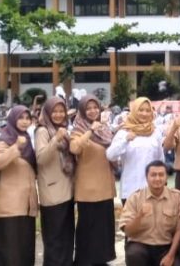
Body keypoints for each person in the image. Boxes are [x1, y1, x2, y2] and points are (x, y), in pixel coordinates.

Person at [69, 95, 117, 266]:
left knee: (104, 227)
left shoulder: (104, 129)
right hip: (88, 189)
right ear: (82, 111)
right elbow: (74, 148)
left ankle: (101, 260)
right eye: (88, 108)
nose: (92, 111)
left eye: (95, 107)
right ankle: (84, 261)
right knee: (87, 228)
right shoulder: (78, 130)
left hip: (105, 186)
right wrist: (90, 130)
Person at [0, 105, 38, 266]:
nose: (25, 122)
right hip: (9, 206)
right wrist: (16, 147)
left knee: (25, 249)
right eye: (21, 118)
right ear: (12, 119)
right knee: (11, 252)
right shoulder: (5, 139)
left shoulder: (27, 139)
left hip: (27, 204)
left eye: (27, 118)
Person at [119, 161, 180, 266]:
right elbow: (128, 231)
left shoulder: (177, 197)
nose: (157, 178)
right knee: (134, 254)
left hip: (166, 246)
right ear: (146, 177)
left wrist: (170, 255)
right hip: (141, 244)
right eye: (153, 175)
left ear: (166, 177)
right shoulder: (135, 197)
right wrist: (140, 216)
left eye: (161, 175)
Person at [36, 96, 75, 266]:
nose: (58, 115)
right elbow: (41, 158)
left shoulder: (63, 129)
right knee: (54, 241)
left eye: (61, 111)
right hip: (52, 194)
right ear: (47, 112)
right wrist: (56, 139)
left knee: (67, 238)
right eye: (55, 111)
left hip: (67, 190)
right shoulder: (42, 131)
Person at [109, 97, 166, 204]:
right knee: (132, 220)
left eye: (147, 110)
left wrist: (163, 181)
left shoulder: (155, 133)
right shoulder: (124, 132)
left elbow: (160, 159)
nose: (144, 114)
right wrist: (125, 140)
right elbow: (110, 155)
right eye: (141, 110)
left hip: (152, 189)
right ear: (134, 111)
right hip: (130, 189)